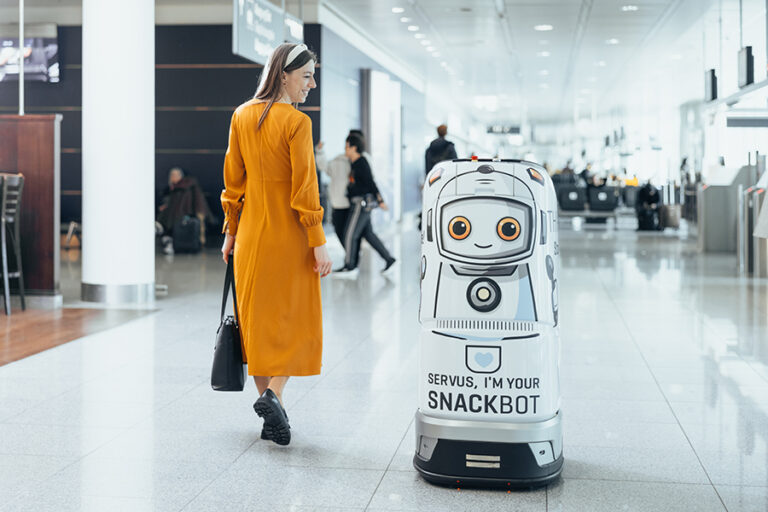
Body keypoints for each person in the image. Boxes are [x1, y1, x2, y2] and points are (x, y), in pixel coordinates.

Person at [220, 42, 332, 446]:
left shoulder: (240, 115)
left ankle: (271, 417)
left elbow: (233, 182)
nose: (312, 84)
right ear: (283, 75)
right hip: (288, 237)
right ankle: (274, 395)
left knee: (257, 324)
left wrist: (231, 233)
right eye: (306, 76)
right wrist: (317, 240)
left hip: (251, 236)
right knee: (295, 320)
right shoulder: (296, 123)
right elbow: (306, 188)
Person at [336, 133, 396, 274]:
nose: (345, 150)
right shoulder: (354, 163)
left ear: (354, 147)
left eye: (347, 147)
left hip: (360, 204)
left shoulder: (361, 162)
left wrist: (380, 200)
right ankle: (388, 259)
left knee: (350, 234)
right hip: (359, 203)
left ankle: (350, 266)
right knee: (368, 234)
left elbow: (370, 182)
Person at [156, 167, 212, 255]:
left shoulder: (184, 187)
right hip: (177, 212)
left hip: (184, 213)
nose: (172, 177)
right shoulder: (173, 188)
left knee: (170, 221)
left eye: (174, 175)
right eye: (171, 175)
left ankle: (162, 228)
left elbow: (181, 203)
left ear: (180, 176)